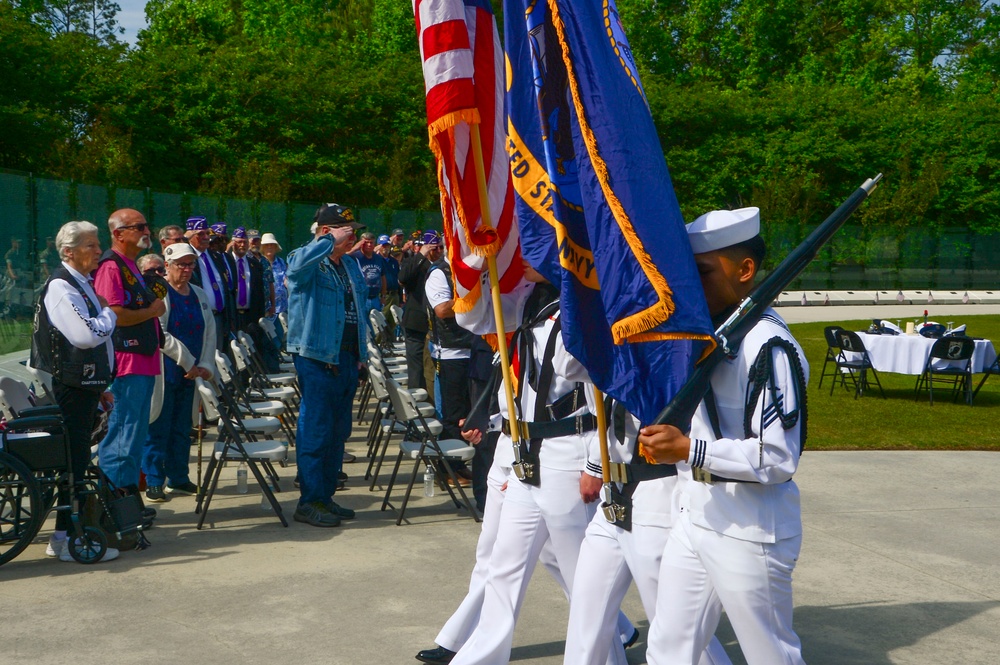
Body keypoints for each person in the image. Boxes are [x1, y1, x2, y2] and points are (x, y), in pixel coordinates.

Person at [416, 268, 637, 664]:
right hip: (526, 453)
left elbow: (605, 395)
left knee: (581, 578)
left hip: (567, 449)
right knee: (504, 565)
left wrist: (595, 463)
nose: (517, 255)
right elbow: (475, 318)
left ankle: (609, 656)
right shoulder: (527, 308)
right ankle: (478, 657)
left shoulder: (578, 314)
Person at [640, 207, 809, 665]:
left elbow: (776, 457)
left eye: (703, 272)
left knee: (770, 654)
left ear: (745, 270)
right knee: (669, 647)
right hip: (697, 515)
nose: (691, 284)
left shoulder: (767, 346)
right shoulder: (710, 334)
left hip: (751, 527)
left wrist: (687, 450)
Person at [563, 395, 732, 665]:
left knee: (676, 632)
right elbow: (582, 384)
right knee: (586, 608)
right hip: (613, 495)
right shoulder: (615, 356)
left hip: (658, 495)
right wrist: (596, 465)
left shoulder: (669, 356)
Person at [30, 220, 120, 563]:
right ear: (69, 252)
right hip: (71, 388)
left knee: (78, 463)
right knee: (74, 464)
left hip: (85, 386)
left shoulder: (81, 284)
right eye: (90, 246)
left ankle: (66, 533)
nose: (98, 251)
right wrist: (109, 313)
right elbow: (84, 336)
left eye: (97, 245)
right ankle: (64, 537)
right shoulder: (62, 287)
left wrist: (99, 387)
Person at [285, 203, 367, 527]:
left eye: (353, 231)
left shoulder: (349, 266)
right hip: (316, 357)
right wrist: (326, 242)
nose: (353, 237)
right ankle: (309, 501)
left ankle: (326, 496)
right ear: (324, 231)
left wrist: (361, 354)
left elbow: (358, 309)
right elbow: (294, 270)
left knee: (337, 432)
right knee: (315, 431)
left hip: (345, 356)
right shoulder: (307, 259)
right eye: (346, 231)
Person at [93, 209, 165, 495]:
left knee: (135, 436)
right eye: (139, 227)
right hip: (127, 362)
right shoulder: (111, 266)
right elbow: (113, 315)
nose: (146, 231)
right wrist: (152, 311)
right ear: (118, 233)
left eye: (147, 226)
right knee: (123, 435)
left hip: (143, 359)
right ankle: (113, 505)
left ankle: (127, 501)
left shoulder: (130, 264)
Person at [142, 242, 216, 502]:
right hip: (166, 372)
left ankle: (178, 478)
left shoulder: (198, 293)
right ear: (168, 266)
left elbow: (209, 332)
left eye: (190, 264)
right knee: (158, 426)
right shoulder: (160, 293)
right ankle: (153, 480)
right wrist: (187, 361)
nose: (186, 269)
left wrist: (206, 365)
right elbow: (160, 334)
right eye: (180, 265)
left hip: (192, 373)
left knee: (183, 427)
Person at [424, 251, 474, 487]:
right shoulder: (438, 272)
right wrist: (474, 299)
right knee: (453, 414)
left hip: (474, 348)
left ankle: (460, 463)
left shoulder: (468, 269)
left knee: (469, 411)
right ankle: (448, 470)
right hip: (451, 352)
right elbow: (442, 309)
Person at [398, 231, 441, 392]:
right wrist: (421, 255)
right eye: (436, 248)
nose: (439, 251)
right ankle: (416, 404)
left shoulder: (441, 265)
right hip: (416, 322)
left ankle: (430, 400)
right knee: (416, 368)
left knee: (430, 366)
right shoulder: (414, 262)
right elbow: (403, 277)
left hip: (434, 323)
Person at [186, 217, 232, 351]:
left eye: (207, 233)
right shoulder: (187, 257)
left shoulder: (216, 257)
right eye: (201, 234)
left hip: (219, 317)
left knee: (218, 359)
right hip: (198, 318)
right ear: (190, 236)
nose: (206, 237)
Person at [260, 232, 288, 349]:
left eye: (272, 245)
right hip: (266, 308)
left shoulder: (281, 262)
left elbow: (287, 280)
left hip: (282, 307)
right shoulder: (259, 262)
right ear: (262, 248)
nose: (269, 247)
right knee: (269, 341)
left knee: (281, 337)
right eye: (266, 245)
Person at [351, 231, 386, 314]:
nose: (369, 245)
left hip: (375, 298)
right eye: (366, 243)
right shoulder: (354, 257)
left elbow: (383, 277)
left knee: (376, 324)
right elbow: (343, 256)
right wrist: (355, 248)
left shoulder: (378, 258)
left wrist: (383, 296)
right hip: (361, 298)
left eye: (371, 242)